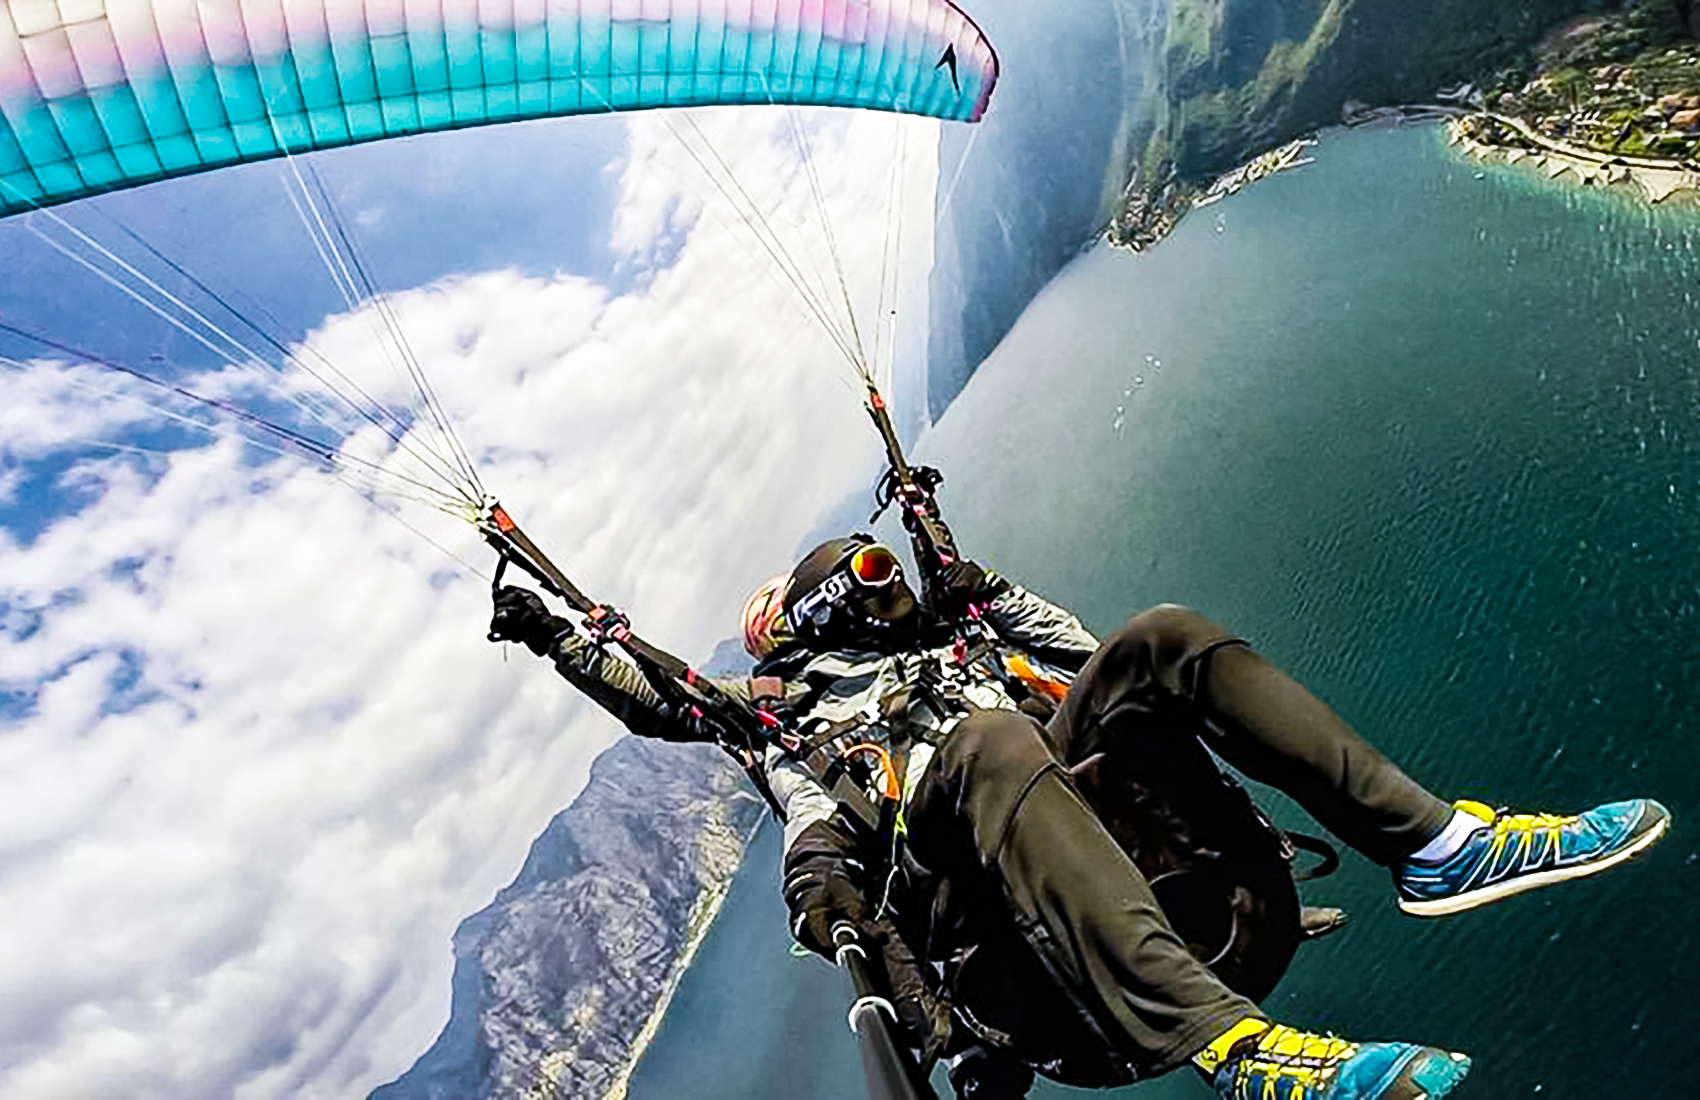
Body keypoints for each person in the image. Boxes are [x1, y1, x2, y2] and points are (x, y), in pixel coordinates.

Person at [488, 536, 1669, 1100]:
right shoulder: (787, 723)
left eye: (886, 571)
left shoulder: (968, 639)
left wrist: (980, 590)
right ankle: (1233, 1053)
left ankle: (1439, 846)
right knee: (988, 741)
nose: (883, 584)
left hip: (1191, 882)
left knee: (1158, 632)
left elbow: (1090, 652)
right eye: (857, 579)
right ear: (803, 625)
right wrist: (553, 630)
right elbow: (670, 710)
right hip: (1024, 967)